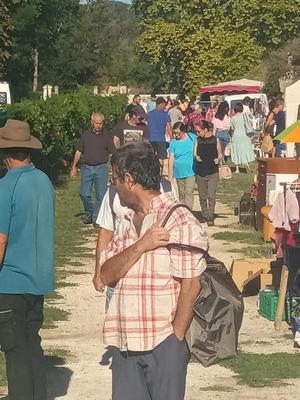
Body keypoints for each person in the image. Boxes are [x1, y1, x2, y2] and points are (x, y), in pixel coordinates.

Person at [99, 143, 208, 400]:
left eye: (114, 179)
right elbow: (106, 275)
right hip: (125, 344)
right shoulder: (125, 219)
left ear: (129, 179)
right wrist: (141, 246)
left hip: (163, 343)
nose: (112, 186)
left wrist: (175, 338)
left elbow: (192, 284)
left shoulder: (179, 219)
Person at [0, 119, 55, 400]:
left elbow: (1, 238)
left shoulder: (5, 186)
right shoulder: (44, 181)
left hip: (10, 281)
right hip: (38, 278)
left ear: (5, 155)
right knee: (32, 343)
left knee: (15, 350)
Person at [70, 112, 114, 228]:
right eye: (96, 123)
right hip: (87, 168)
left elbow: (112, 154)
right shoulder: (85, 135)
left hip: (101, 168)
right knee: (84, 194)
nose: (99, 125)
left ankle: (96, 219)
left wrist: (114, 171)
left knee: (101, 195)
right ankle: (89, 213)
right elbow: (79, 151)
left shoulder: (107, 136)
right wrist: (74, 166)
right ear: (92, 122)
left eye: (101, 123)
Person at [194, 120, 222, 226]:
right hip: (201, 171)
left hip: (212, 172)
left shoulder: (215, 140)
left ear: (205, 130)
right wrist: (196, 157)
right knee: (202, 196)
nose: (197, 133)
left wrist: (218, 158)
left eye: (198, 131)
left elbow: (220, 154)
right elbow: (194, 153)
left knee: (211, 195)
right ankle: (204, 214)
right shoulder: (198, 140)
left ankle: (210, 216)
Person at [168, 122, 196, 209]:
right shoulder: (173, 142)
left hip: (191, 171)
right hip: (179, 172)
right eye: (174, 133)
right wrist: (170, 175)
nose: (176, 135)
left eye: (178, 133)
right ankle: (183, 210)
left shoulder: (192, 137)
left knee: (189, 192)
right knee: (182, 193)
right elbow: (171, 159)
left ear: (183, 131)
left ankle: (189, 211)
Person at [147, 96, 173, 169]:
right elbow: (169, 128)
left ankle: (151, 173)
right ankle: (160, 175)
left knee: (150, 158)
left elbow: (146, 125)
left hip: (150, 138)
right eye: (164, 105)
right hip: (161, 139)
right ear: (161, 104)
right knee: (161, 158)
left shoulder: (149, 114)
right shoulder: (165, 115)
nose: (165, 107)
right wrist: (172, 139)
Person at [230, 103, 255, 173]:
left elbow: (232, 128)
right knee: (246, 149)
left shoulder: (232, 118)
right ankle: (248, 165)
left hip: (236, 135)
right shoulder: (245, 116)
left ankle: (237, 168)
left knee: (237, 150)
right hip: (245, 135)